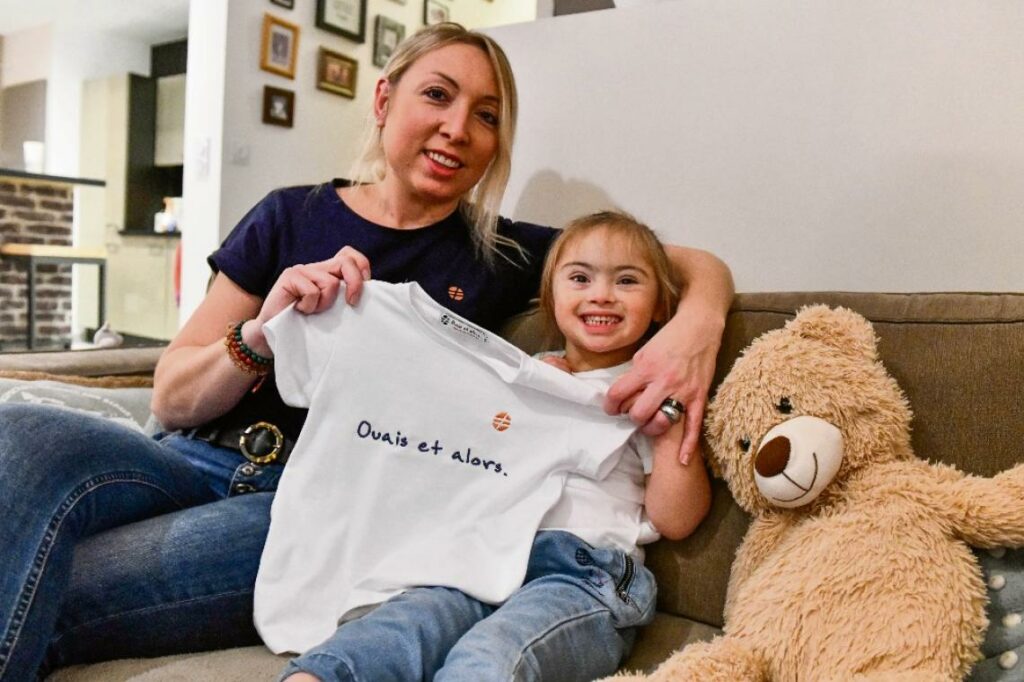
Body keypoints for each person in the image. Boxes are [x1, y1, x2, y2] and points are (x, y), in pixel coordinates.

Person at [0, 22, 732, 680]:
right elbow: (171, 396)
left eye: (486, 116)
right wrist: (262, 331)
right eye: (437, 96)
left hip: (311, 499)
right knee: (21, 432)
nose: (457, 128)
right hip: (189, 452)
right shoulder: (290, 214)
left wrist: (693, 330)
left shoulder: (502, 253)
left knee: (48, 589)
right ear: (383, 99)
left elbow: (677, 263)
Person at [277, 210, 713, 682]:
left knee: (490, 657)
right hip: (480, 554)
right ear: (551, 297)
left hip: (582, 576)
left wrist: (667, 426)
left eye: (627, 280)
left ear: (661, 307)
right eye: (580, 278)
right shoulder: (519, 374)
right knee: (399, 626)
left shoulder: (648, 391)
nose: (601, 294)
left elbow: (677, 519)